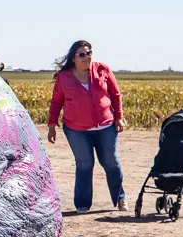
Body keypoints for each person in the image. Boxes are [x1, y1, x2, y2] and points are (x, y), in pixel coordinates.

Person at [47, 40, 127, 212]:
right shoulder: (65, 77)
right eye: (82, 54)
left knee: (110, 162)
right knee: (84, 164)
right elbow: (56, 102)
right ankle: (82, 204)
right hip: (76, 129)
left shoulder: (102, 69)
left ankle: (120, 198)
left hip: (105, 126)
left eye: (89, 53)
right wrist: (52, 125)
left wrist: (119, 117)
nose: (86, 57)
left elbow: (115, 94)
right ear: (74, 58)